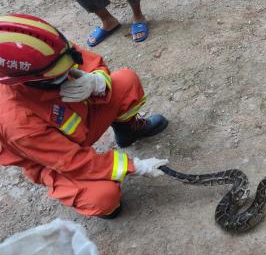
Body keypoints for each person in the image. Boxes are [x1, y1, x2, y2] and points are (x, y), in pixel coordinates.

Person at [0, 14, 169, 218]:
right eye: (58, 74)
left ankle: (128, 132)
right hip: (53, 158)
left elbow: (89, 62)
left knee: (126, 81)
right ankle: (95, 200)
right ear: (22, 80)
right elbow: (71, 161)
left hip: (77, 122)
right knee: (103, 197)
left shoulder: (49, 51)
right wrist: (135, 166)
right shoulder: (16, 121)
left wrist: (96, 81)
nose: (69, 71)